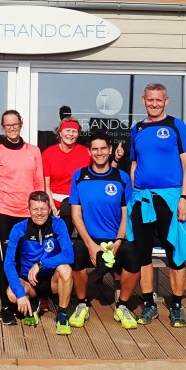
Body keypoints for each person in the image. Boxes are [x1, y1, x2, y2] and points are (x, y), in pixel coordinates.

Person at [127, 83, 186, 328]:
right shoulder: (137, 129)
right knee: (143, 254)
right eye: (150, 100)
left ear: (166, 101)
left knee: (175, 254)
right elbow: (134, 165)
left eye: (159, 100)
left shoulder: (176, 125)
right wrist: (133, 194)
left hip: (171, 199)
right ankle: (148, 304)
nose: (154, 104)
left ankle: (176, 306)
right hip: (142, 199)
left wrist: (184, 198)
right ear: (143, 100)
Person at [69, 132, 141, 330]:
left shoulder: (122, 177)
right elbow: (76, 215)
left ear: (110, 150)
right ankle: (82, 304)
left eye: (103, 148)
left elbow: (126, 214)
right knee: (76, 255)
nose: (99, 153)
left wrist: (118, 242)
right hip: (90, 239)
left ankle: (122, 306)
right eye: (95, 149)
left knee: (134, 258)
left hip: (115, 240)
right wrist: (90, 245)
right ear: (89, 151)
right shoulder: (79, 176)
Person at [0, 109, 45, 325]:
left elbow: (39, 183)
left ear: (21, 124)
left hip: (28, 213)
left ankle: (23, 300)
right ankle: (6, 306)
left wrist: (41, 210)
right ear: (3, 127)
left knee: (25, 258)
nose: (12, 128)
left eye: (15, 124)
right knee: (6, 260)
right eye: (8, 125)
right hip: (4, 212)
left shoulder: (34, 151)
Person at [3, 191, 75, 335]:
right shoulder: (19, 228)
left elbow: (69, 255)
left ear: (49, 209)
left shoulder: (58, 224)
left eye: (43, 209)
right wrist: (20, 294)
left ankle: (62, 314)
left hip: (51, 281)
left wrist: (41, 264)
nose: (39, 213)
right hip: (30, 283)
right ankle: (34, 303)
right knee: (12, 293)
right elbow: (8, 263)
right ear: (29, 210)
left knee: (65, 269)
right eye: (35, 209)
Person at [42, 118, 91, 229]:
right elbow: (46, 185)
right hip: (55, 203)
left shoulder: (86, 153)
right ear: (60, 132)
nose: (71, 134)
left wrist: (116, 160)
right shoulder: (48, 153)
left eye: (74, 131)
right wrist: (51, 207)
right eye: (67, 130)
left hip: (79, 202)